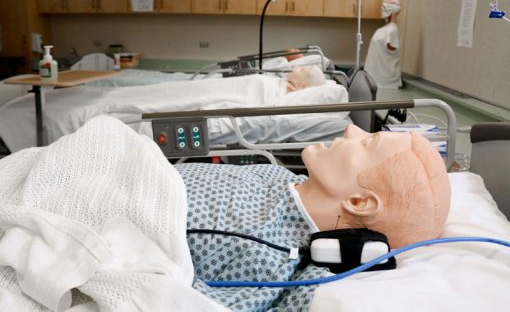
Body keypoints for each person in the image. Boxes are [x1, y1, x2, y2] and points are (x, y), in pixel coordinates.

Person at [0, 117, 451, 311]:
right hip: (98, 167)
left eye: (367, 142)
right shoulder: (282, 179)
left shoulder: (273, 255)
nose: (352, 128)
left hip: (94, 208)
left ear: (359, 203)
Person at [364, 0, 403, 89]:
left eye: (385, 7)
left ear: (394, 10)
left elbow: (393, 50)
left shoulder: (393, 30)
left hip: (386, 83)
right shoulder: (381, 30)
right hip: (373, 78)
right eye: (382, 7)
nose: (382, 10)